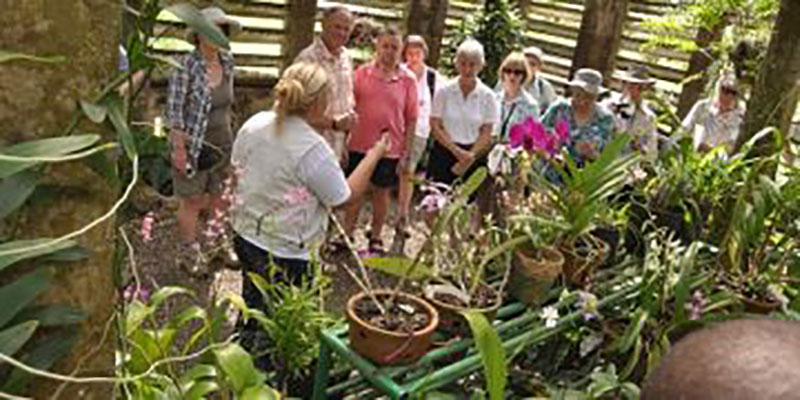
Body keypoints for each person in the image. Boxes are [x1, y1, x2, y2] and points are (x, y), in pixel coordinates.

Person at [231, 62, 389, 368]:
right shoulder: (311, 149)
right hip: (286, 250)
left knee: (254, 302)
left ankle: (237, 361)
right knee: (280, 326)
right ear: (317, 102)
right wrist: (375, 154)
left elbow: (236, 169)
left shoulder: (255, 122)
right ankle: (265, 380)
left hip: (246, 234)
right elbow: (343, 198)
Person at [166, 6, 240, 273]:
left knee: (222, 196)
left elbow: (228, 105)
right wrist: (179, 149)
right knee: (193, 200)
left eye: (222, 29)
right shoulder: (184, 65)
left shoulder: (228, 62)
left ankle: (216, 242)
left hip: (223, 142)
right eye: (211, 28)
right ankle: (189, 252)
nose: (216, 34)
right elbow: (174, 113)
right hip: (192, 143)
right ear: (198, 33)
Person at [343, 25, 418, 253]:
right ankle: (346, 234)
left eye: (394, 47)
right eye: (385, 46)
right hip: (359, 144)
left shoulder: (408, 80)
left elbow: (412, 118)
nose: (389, 51)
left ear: (401, 50)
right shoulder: (361, 73)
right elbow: (350, 108)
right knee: (354, 192)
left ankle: (375, 237)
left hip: (389, 148)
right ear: (377, 46)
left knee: (381, 193)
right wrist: (344, 142)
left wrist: (406, 153)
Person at [428, 39, 498, 188]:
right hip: (444, 152)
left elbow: (487, 131)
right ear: (456, 64)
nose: (467, 69)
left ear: (481, 66)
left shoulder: (488, 96)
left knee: (465, 205)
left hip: (473, 156)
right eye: (463, 63)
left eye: (472, 64)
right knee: (435, 202)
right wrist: (456, 151)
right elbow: (435, 125)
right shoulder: (444, 91)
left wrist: (469, 156)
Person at [395, 35, 443, 247]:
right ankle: (381, 217)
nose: (413, 57)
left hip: (419, 132)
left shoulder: (434, 78)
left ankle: (403, 216)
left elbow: (441, 104)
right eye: (410, 53)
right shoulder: (399, 72)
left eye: (418, 53)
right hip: (396, 129)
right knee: (387, 171)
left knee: (408, 172)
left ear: (425, 54)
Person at [294, 5, 357, 165]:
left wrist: (344, 145)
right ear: (323, 25)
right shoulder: (307, 59)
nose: (341, 33)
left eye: (346, 29)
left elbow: (346, 101)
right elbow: (295, 111)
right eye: (337, 27)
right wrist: (334, 124)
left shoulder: (346, 58)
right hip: (310, 149)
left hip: (336, 149)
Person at [542, 68, 615, 166]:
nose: (582, 101)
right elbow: (536, 136)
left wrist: (592, 154)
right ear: (572, 91)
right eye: (578, 95)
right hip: (550, 173)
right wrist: (549, 152)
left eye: (589, 97)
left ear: (597, 96)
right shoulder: (559, 108)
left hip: (584, 177)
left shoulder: (605, 118)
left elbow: (607, 157)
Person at [605, 66, 658, 161]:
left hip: (629, 168)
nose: (635, 91)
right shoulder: (608, 107)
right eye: (631, 86)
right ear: (623, 85)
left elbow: (652, 154)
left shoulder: (648, 117)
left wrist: (641, 148)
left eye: (641, 88)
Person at [682, 75, 745, 154]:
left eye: (733, 92)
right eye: (724, 90)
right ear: (717, 88)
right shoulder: (702, 107)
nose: (728, 96)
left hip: (722, 163)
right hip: (695, 158)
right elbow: (683, 130)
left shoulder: (741, 117)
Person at [496, 51, 540, 142]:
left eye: (517, 72)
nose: (512, 76)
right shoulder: (494, 99)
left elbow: (532, 137)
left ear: (524, 75)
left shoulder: (531, 105)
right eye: (508, 71)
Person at [523, 46, 558, 114]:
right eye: (525, 63)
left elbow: (553, 111)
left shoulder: (544, 87)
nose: (528, 67)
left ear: (539, 67)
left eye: (532, 64)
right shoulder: (508, 80)